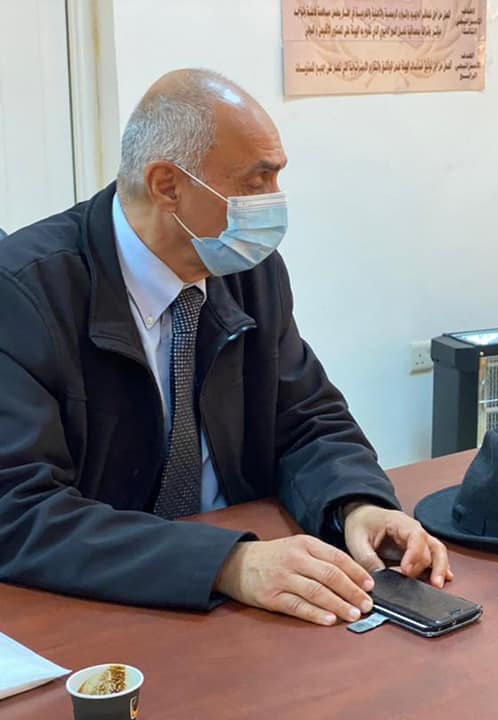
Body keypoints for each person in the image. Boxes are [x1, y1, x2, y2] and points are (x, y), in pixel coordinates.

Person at [0, 69, 452, 625]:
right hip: (108, 605)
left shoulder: (246, 271)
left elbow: (307, 419)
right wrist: (226, 563)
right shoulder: (25, 292)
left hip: (248, 597)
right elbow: (18, 511)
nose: (274, 201)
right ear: (167, 186)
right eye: (256, 180)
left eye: (277, 177)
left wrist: (357, 504)